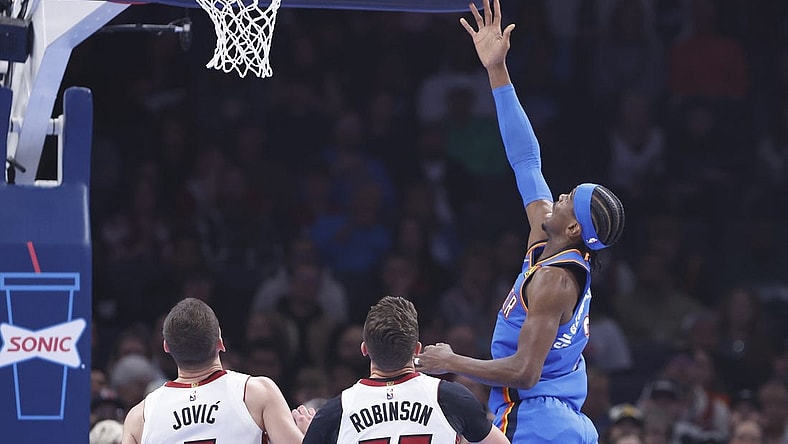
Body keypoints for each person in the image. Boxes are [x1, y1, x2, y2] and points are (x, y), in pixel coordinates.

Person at [415, 1, 626, 443]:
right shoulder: (546, 239)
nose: (560, 195)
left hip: (537, 419)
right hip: (555, 418)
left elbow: (525, 373)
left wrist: (452, 361)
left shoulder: (555, 283)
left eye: (569, 199)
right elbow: (526, 159)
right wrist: (497, 71)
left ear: (573, 229)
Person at [302, 296, 510, 444]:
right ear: (417, 349)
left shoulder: (336, 411)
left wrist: (305, 435)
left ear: (364, 349)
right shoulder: (449, 397)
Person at [121, 298, 314, 444]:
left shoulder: (139, 417)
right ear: (220, 343)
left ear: (166, 347)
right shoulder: (257, 393)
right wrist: (311, 435)